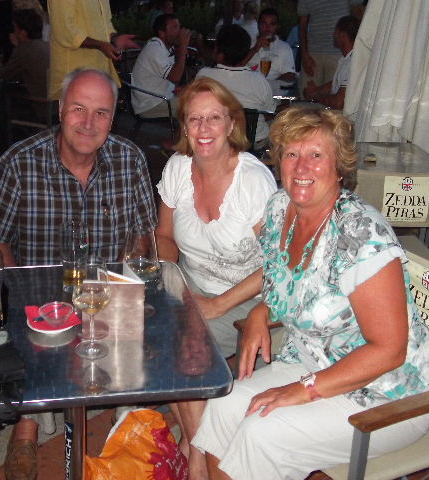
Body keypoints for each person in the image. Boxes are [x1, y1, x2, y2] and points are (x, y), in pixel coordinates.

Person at [191, 107, 429, 480]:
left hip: (386, 393)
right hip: (312, 359)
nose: (301, 167)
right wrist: (261, 312)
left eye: (316, 155)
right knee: (225, 406)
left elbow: (389, 350)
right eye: (292, 153)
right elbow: (288, 281)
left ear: (339, 167)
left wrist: (305, 390)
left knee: (263, 432)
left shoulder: (360, 234)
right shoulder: (280, 209)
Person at [0, 68, 157, 480]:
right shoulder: (19, 162)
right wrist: (17, 293)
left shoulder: (129, 159)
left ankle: (122, 426)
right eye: (78, 109)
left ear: (112, 118)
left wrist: (127, 289)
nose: (88, 123)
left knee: (136, 345)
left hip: (105, 297)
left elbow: (144, 238)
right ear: (60, 109)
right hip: (41, 297)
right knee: (33, 338)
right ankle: (27, 424)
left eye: (101, 113)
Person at [156, 76, 276, 478]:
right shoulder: (177, 168)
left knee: (183, 346)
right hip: (191, 284)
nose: (204, 128)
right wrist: (167, 278)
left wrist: (216, 305)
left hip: (249, 295)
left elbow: (279, 263)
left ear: (231, 123)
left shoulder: (253, 181)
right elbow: (164, 236)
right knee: (147, 328)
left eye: (214, 118)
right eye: (195, 119)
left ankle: (198, 459)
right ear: (185, 126)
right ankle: (198, 445)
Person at [196, 26, 275, 149]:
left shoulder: (204, 76)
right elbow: (268, 113)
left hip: (215, 142)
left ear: (219, 51)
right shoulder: (259, 80)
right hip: (252, 144)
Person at [48, 0, 139, 100]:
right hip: (74, 81)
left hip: (100, 79)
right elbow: (63, 30)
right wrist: (100, 45)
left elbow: (106, 28)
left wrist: (115, 39)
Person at [131, 13, 191, 119]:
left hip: (162, 98)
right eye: (175, 28)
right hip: (151, 105)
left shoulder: (167, 48)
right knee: (196, 105)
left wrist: (177, 89)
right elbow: (175, 77)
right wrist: (182, 48)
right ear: (162, 33)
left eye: (179, 27)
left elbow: (172, 79)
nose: (179, 31)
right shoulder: (154, 49)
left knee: (199, 97)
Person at [297, 0, 362, 98]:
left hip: (339, 54)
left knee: (335, 96)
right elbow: (302, 25)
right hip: (313, 54)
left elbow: (358, 13)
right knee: (307, 96)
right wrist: (304, 55)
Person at [303, 15, 360, 110]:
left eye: (335, 32)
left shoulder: (353, 63)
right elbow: (338, 82)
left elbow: (338, 102)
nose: (333, 35)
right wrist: (316, 90)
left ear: (342, 35)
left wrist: (315, 96)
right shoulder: (347, 59)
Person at [243, 8, 297, 95]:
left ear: (277, 26)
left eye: (272, 24)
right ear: (258, 24)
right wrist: (255, 48)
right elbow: (237, 66)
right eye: (264, 23)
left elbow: (290, 76)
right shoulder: (247, 43)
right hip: (249, 91)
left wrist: (269, 85)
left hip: (273, 93)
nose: (267, 28)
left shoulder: (284, 48)